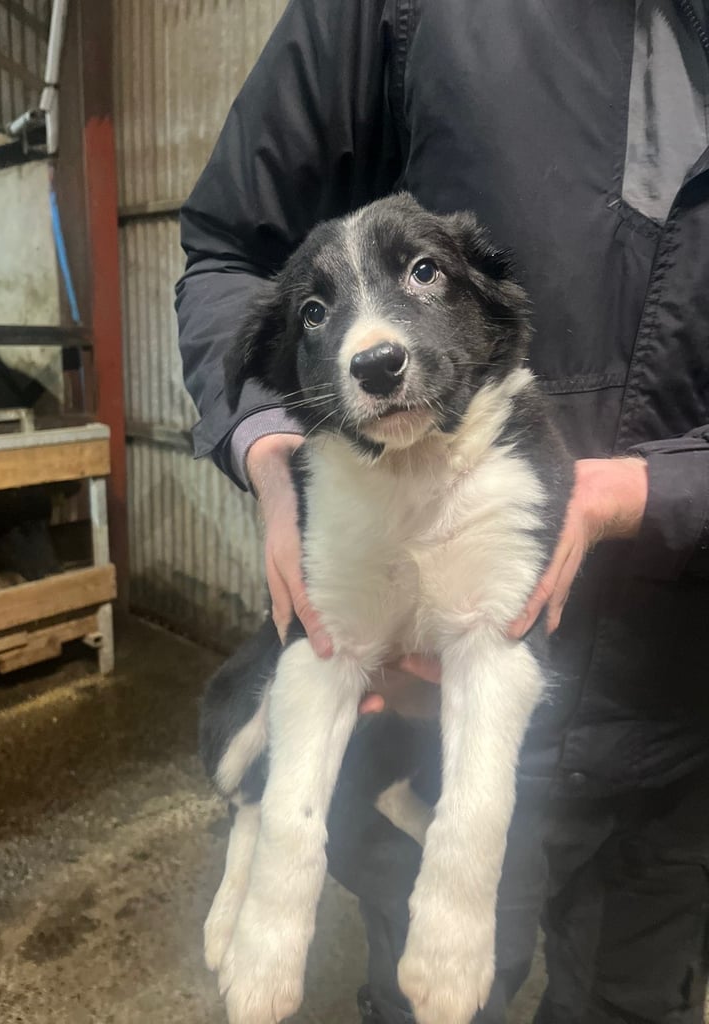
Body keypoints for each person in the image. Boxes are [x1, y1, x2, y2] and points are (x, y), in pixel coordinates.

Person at [176, 2, 709, 1021]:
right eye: (328, 313)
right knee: (422, 999)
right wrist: (267, 447)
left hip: (677, 715)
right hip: (426, 737)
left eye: (424, 273)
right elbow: (225, 252)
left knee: (637, 996)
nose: (377, 340)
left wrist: (656, 490)